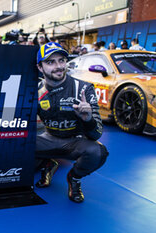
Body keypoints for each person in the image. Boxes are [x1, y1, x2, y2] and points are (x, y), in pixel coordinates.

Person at [35, 42, 109, 203]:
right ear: (40, 68)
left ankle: (74, 178)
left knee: (99, 152)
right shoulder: (35, 90)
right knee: (14, 141)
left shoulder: (83, 88)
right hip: (48, 138)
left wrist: (88, 119)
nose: (58, 66)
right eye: (50, 62)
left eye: (61, 60)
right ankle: (48, 164)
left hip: (75, 141)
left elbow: (96, 134)